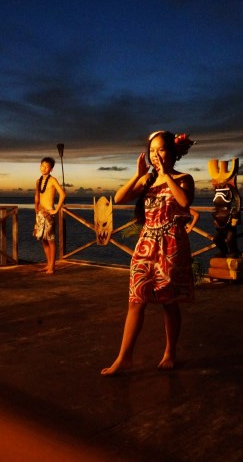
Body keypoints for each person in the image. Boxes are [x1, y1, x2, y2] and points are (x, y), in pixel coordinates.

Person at [101, 130, 195, 375]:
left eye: (161, 149)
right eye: (152, 150)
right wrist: (138, 175)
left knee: (169, 302)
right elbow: (119, 198)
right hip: (146, 244)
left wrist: (166, 175)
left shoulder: (184, 178)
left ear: (173, 152)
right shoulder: (148, 180)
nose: (155, 155)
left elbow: (184, 202)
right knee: (136, 299)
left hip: (171, 246)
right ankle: (124, 357)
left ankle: (169, 352)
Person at [34, 157, 66, 274]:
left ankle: (52, 266)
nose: (44, 168)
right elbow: (37, 196)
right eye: (42, 165)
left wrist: (56, 210)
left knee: (50, 240)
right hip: (40, 214)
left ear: (51, 169)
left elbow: (62, 194)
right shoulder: (38, 181)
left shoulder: (53, 180)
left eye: (47, 166)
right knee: (43, 239)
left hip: (49, 213)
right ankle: (48, 264)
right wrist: (36, 209)